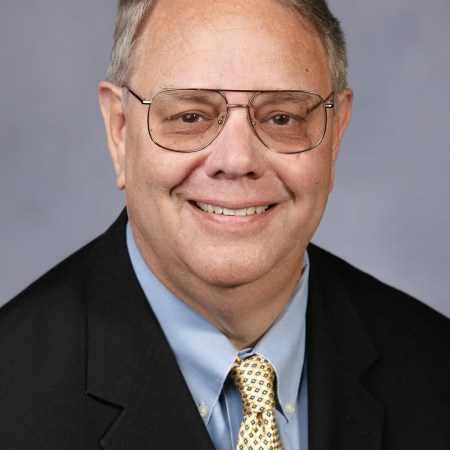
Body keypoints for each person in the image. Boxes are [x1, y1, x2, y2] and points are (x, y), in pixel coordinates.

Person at [1, 0, 449, 448]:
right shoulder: (12, 395)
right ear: (120, 131)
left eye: (281, 118)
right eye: (190, 117)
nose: (236, 160)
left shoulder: (434, 367)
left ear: (335, 135)